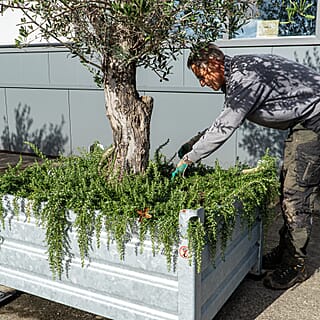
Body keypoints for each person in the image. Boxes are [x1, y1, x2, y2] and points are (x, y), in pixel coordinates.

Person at [174, 43, 320, 290]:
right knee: (287, 188)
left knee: (297, 193)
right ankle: (286, 250)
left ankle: (295, 264)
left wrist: (189, 158)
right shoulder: (236, 74)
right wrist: (194, 143)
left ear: (215, 64)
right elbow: (225, 119)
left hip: (314, 122)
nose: (201, 83)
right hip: (302, 124)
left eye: (201, 76)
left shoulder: (244, 76)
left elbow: (226, 127)